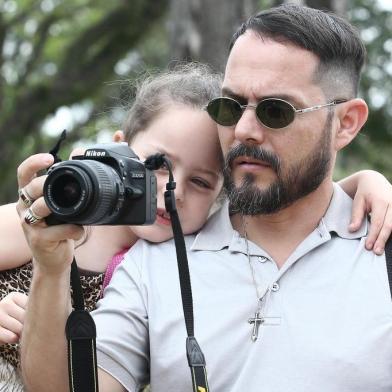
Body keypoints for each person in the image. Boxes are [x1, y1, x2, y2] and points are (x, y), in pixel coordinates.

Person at [14, 5, 392, 388]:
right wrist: (51, 268)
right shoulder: (152, 263)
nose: (244, 129)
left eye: (276, 111)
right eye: (229, 106)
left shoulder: (382, 248)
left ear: (346, 123)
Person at [0, 63, 225, 390]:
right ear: (118, 148)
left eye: (202, 182)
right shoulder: (60, 215)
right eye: (158, 165)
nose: (173, 190)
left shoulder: (170, 272)